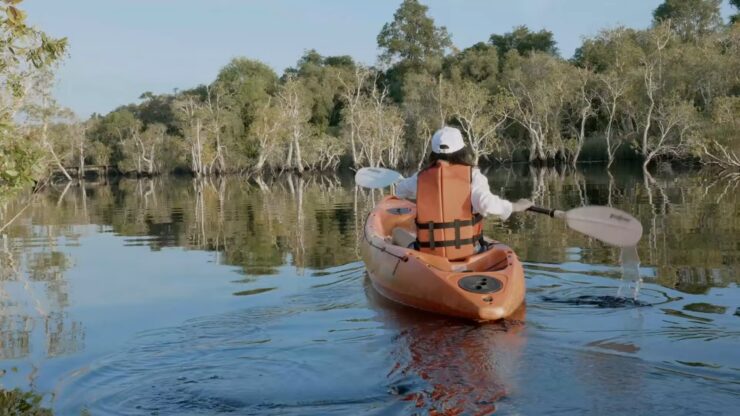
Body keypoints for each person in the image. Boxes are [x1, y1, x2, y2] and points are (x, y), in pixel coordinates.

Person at [394, 126, 532, 260]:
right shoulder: (473, 176)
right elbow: (486, 204)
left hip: (429, 253)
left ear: (433, 153)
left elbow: (399, 191)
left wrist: (405, 183)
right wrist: (515, 206)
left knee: (396, 232)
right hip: (469, 251)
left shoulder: (420, 177)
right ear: (462, 151)